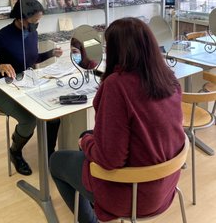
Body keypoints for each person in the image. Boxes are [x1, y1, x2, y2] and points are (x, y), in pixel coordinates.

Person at [50, 17, 185, 223]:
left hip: (132, 193)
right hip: (165, 186)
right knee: (86, 136)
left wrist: (85, 143)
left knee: (57, 160)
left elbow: (111, 160)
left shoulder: (117, 85)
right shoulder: (168, 79)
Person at [0, 0, 63, 176]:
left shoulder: (31, 31)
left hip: (28, 83)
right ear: (21, 18)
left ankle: (50, 155)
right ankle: (15, 152)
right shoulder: (1, 37)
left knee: (54, 115)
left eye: (38, 21)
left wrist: (50, 53)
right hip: (3, 89)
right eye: (33, 21)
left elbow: (31, 59)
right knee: (29, 120)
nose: (36, 25)